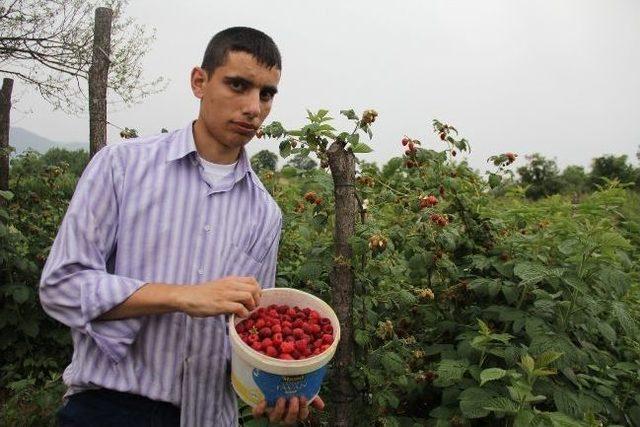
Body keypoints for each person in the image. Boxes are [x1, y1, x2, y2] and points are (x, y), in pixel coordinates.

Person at [39, 26, 323, 426]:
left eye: (266, 93)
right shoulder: (122, 166)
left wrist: (278, 385)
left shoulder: (265, 213)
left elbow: (247, 332)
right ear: (199, 82)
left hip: (209, 416)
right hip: (111, 408)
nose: (253, 107)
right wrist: (181, 297)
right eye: (238, 85)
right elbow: (61, 287)